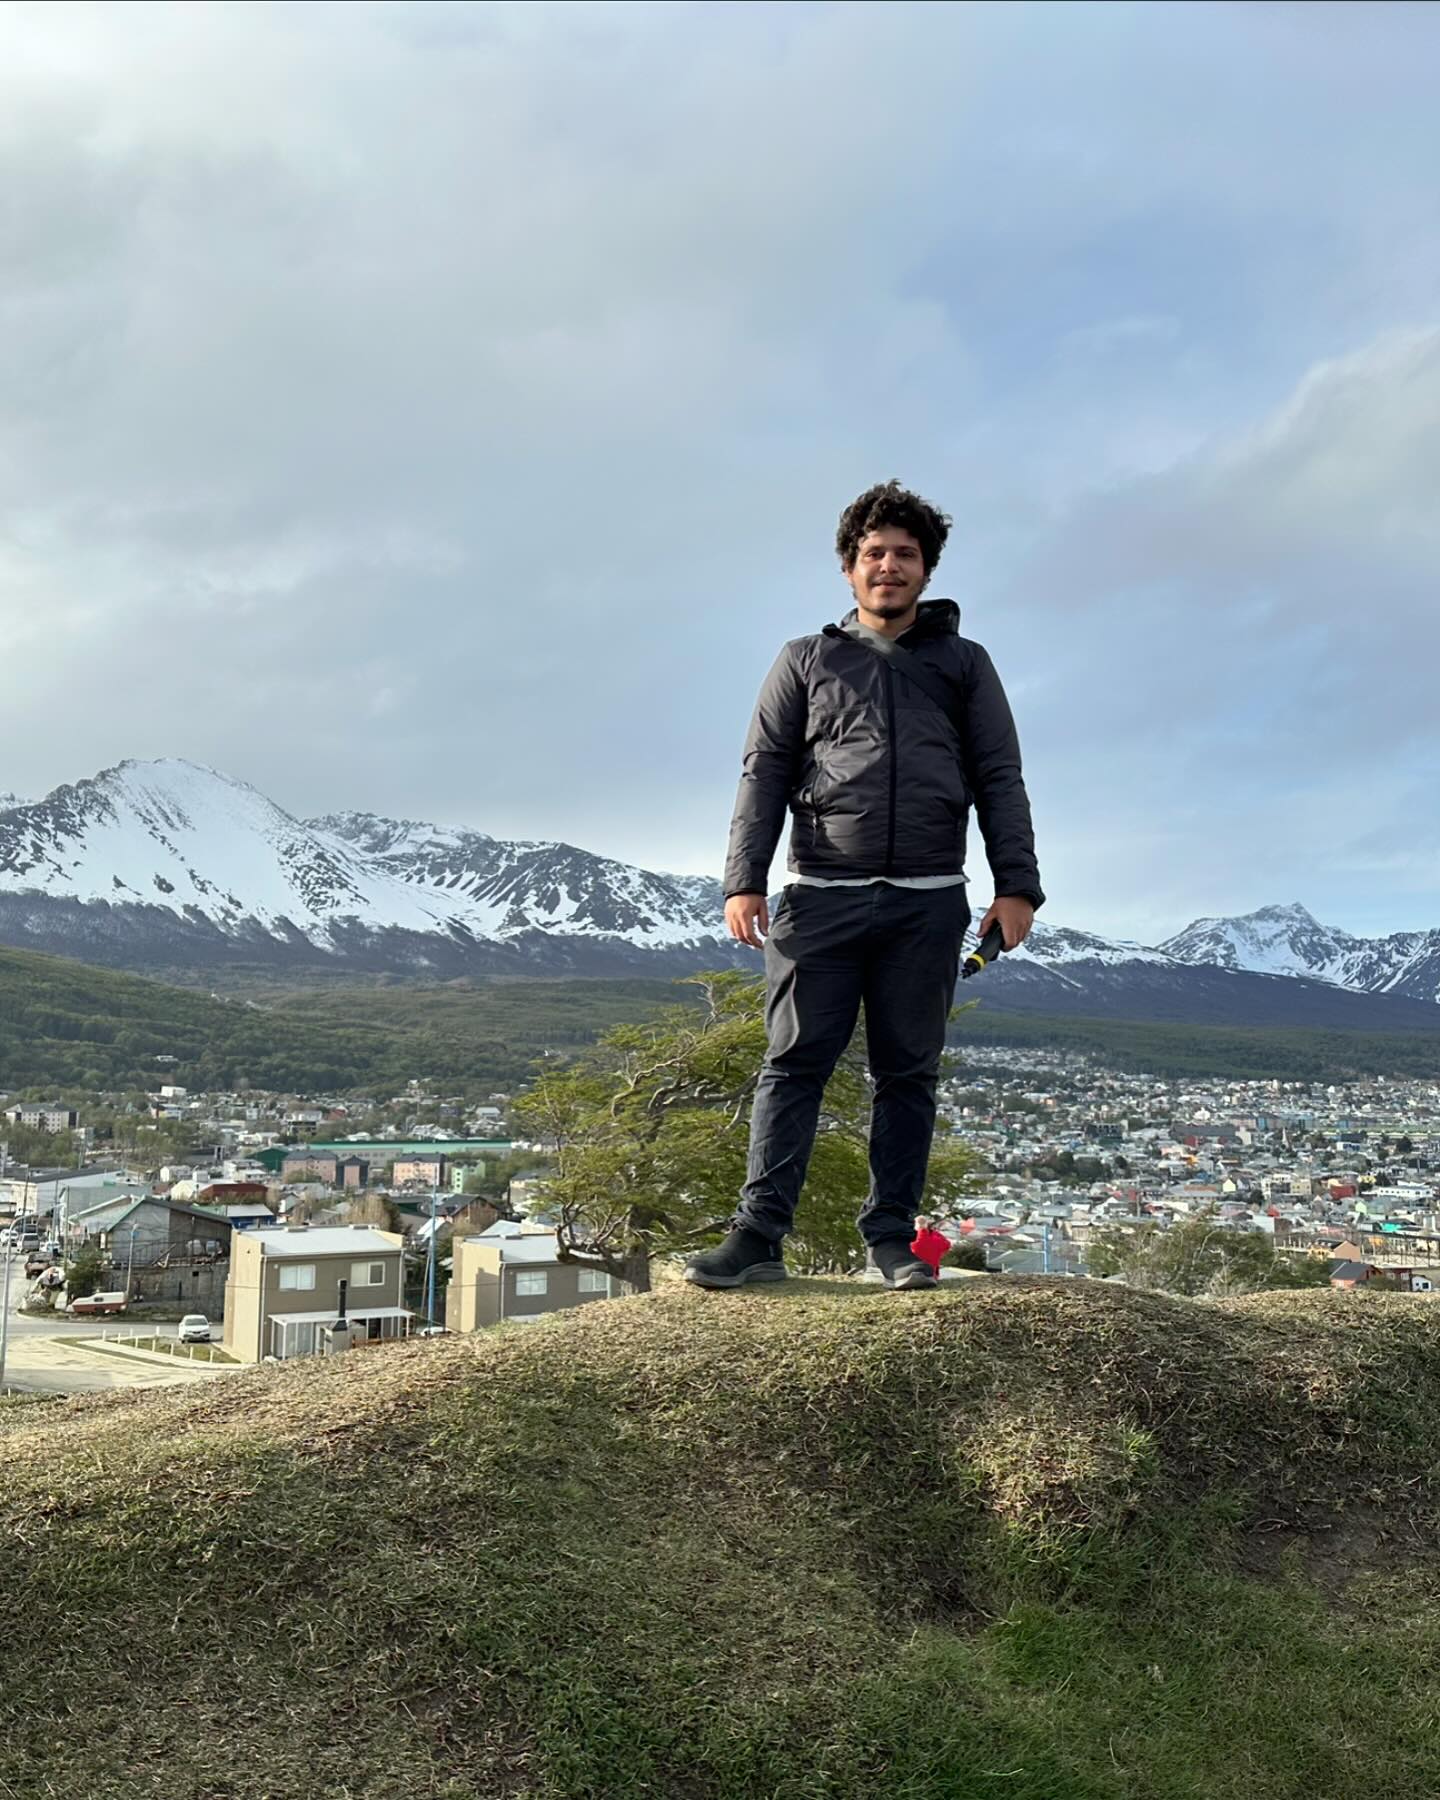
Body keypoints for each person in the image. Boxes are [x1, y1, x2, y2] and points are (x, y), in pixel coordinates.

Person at [686, 479, 1043, 1293]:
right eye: (874, 553)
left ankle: (890, 1241)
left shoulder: (963, 665)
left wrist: (1017, 885)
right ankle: (757, 1236)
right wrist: (744, 880)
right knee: (793, 1064)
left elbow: (1000, 775)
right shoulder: (805, 661)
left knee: (907, 1073)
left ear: (927, 569)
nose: (889, 566)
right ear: (849, 568)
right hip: (820, 895)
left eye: (905, 554)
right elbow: (764, 772)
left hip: (927, 900)